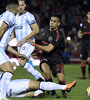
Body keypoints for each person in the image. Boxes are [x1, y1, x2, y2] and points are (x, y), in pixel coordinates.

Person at [29, 14, 67, 98]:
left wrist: (35, 45)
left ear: (58, 24)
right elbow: (44, 46)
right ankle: (52, 92)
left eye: (54, 21)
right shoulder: (45, 31)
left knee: (60, 79)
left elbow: (49, 49)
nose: (52, 23)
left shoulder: (59, 35)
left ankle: (64, 90)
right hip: (45, 57)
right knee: (46, 72)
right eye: (51, 21)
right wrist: (39, 53)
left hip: (56, 59)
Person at [0, 3, 27, 100]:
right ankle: (2, 97)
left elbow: (5, 45)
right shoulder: (10, 15)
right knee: (9, 69)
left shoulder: (3, 16)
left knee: (8, 70)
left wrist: (18, 54)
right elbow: (2, 28)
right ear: (15, 9)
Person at [14, 0, 45, 81]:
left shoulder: (29, 16)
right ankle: (43, 81)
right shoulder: (16, 16)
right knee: (25, 63)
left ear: (25, 5)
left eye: (22, 5)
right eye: (19, 5)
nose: (20, 7)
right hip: (20, 45)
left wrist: (24, 39)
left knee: (21, 61)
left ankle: (40, 80)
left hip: (28, 43)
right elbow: (15, 31)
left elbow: (36, 30)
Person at [0, 72, 77, 98]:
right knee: (39, 84)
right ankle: (65, 87)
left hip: (8, 94)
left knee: (30, 93)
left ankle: (37, 94)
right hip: (11, 86)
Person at [78, 11, 90, 79]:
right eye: (89, 14)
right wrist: (80, 35)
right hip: (84, 44)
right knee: (83, 60)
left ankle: (89, 70)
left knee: (89, 60)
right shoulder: (83, 23)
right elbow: (79, 33)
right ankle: (83, 75)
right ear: (87, 15)